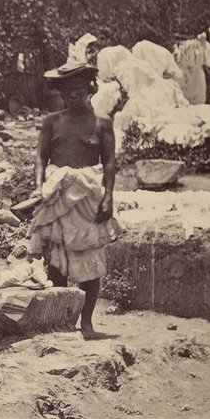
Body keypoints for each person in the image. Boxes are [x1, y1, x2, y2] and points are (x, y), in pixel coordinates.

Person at [28, 62, 123, 340]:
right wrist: (39, 189)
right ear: (61, 92)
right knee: (58, 260)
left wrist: (108, 197)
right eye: (68, 91)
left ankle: (88, 324)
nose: (73, 95)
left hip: (89, 197)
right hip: (58, 195)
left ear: (89, 91)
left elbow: (109, 163)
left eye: (79, 90)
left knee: (91, 261)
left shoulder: (102, 124)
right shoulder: (52, 122)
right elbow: (40, 158)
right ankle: (63, 321)